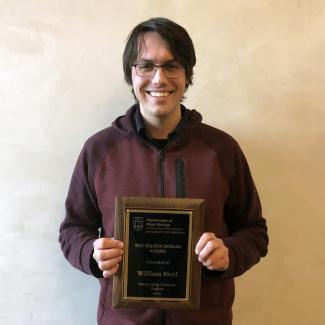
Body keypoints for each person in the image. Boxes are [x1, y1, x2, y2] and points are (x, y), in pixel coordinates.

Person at [59, 17, 268, 325]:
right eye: (146, 66)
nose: (159, 79)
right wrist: (91, 252)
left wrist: (230, 254)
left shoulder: (222, 150)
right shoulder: (100, 150)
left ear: (187, 74)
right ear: (131, 73)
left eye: (172, 66)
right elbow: (71, 231)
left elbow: (254, 232)